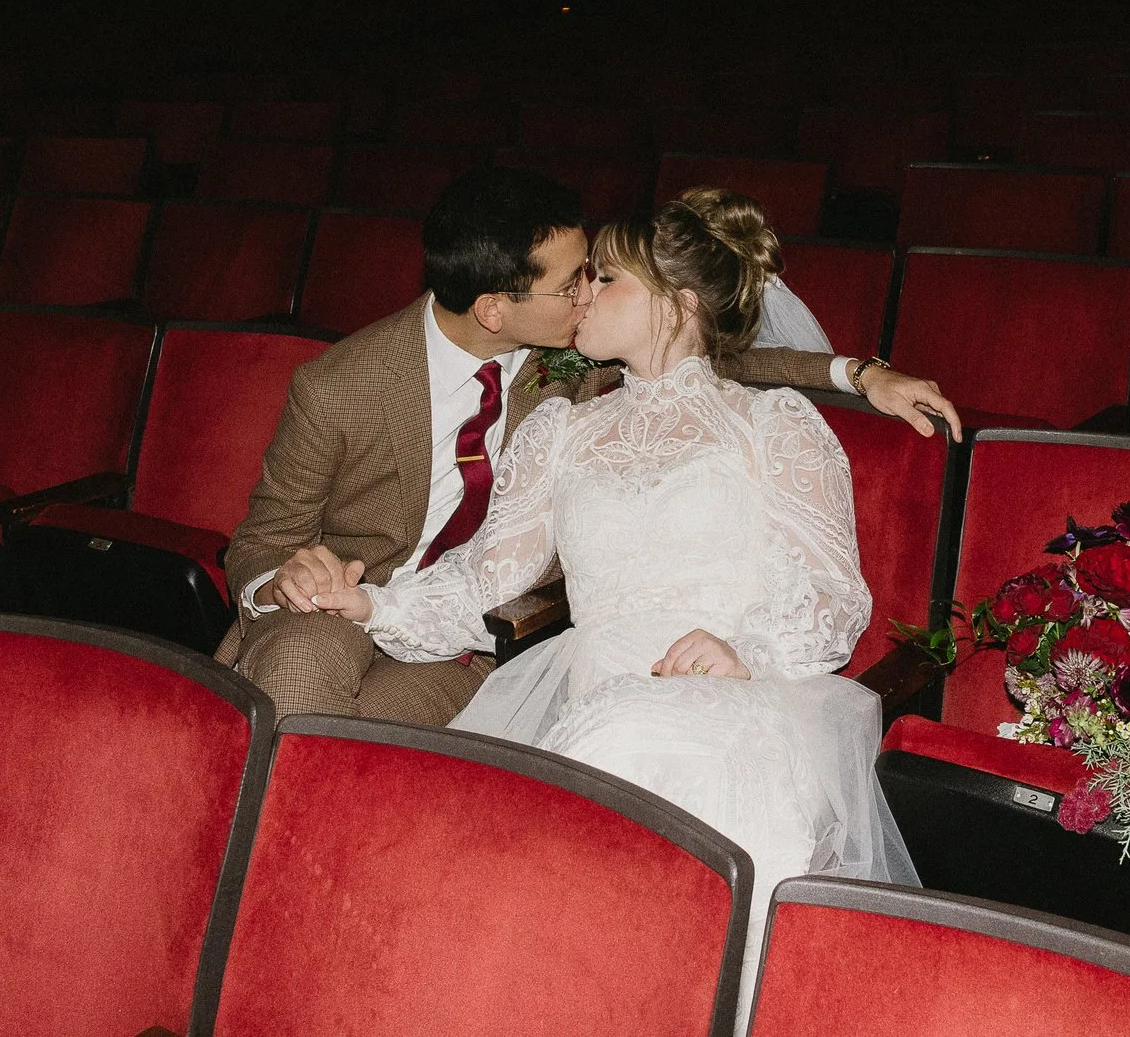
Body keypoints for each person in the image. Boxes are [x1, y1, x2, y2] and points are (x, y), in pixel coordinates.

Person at [315, 190, 916, 1015]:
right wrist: (373, 607)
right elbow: (489, 577)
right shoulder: (559, 430)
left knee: (625, 777)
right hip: (589, 692)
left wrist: (748, 649)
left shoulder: (771, 425)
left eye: (607, 278)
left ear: (680, 305)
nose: (582, 294)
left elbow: (831, 592)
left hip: (740, 702)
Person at [215, 167, 958, 725]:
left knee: (357, 752)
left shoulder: (584, 364)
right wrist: (317, 589)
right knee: (299, 666)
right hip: (368, 600)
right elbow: (264, 542)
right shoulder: (343, 386)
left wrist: (859, 373)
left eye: (599, 278)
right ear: (495, 308)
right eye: (575, 282)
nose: (585, 298)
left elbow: (718, 357)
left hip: (497, 649)